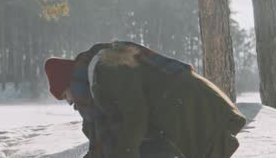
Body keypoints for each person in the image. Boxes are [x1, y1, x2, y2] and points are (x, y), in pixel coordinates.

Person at [45, 41, 247, 158]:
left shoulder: (106, 69)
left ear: (69, 83)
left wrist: (125, 153)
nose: (71, 103)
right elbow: (101, 140)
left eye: (65, 96)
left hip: (191, 109)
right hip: (178, 115)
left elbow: (135, 114)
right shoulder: (94, 94)